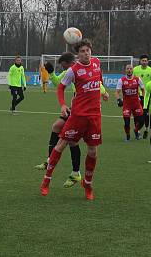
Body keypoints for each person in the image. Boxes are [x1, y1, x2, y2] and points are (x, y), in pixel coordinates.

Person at [40, 39, 103, 200]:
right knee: (61, 144)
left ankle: (87, 183)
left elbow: (98, 80)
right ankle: (46, 180)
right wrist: (62, 105)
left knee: (93, 151)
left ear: (91, 51)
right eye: (82, 51)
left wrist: (102, 92)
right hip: (78, 115)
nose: (86, 53)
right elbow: (60, 87)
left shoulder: (97, 63)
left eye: (87, 50)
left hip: (95, 116)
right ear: (78, 54)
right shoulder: (73, 70)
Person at [34, 56, 110, 188]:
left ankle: (73, 172)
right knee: (57, 127)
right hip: (75, 108)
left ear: (70, 62)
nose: (63, 68)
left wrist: (104, 92)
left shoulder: (84, 68)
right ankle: (55, 163)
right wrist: (51, 73)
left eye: (64, 66)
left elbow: (96, 83)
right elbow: (59, 83)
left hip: (84, 111)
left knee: (70, 140)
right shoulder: (70, 70)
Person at [116, 64, 146, 141]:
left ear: (133, 70)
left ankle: (136, 130)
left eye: (130, 69)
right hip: (127, 104)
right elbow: (117, 92)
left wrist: (142, 97)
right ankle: (128, 136)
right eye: (127, 69)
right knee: (126, 123)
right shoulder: (121, 80)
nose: (129, 70)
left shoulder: (137, 79)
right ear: (125, 70)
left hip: (136, 103)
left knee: (142, 121)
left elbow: (143, 89)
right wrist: (118, 99)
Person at [133, 54, 151, 138]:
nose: (144, 62)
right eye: (143, 60)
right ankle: (137, 130)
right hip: (136, 95)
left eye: (146, 61)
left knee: (146, 113)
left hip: (147, 96)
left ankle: (146, 129)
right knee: (137, 113)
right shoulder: (135, 70)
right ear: (140, 61)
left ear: (148, 62)